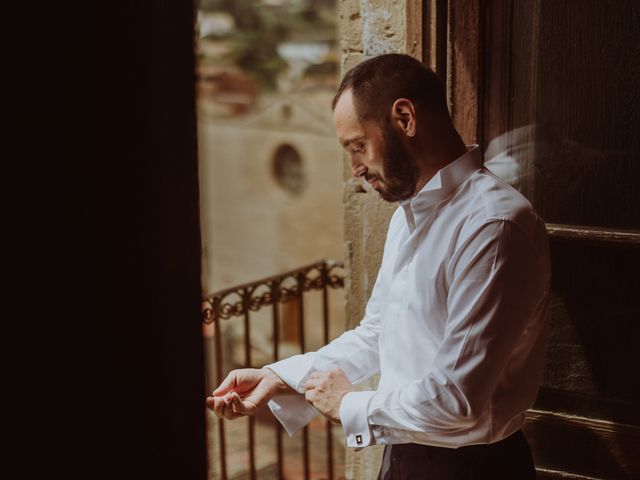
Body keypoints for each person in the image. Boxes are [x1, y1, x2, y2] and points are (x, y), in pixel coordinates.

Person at [206, 53, 550, 479]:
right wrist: (282, 377)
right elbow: (378, 332)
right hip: (405, 458)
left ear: (404, 118)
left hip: (472, 469)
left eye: (358, 146)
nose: (355, 170)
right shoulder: (409, 216)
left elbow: (457, 401)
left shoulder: (494, 226)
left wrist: (348, 405)